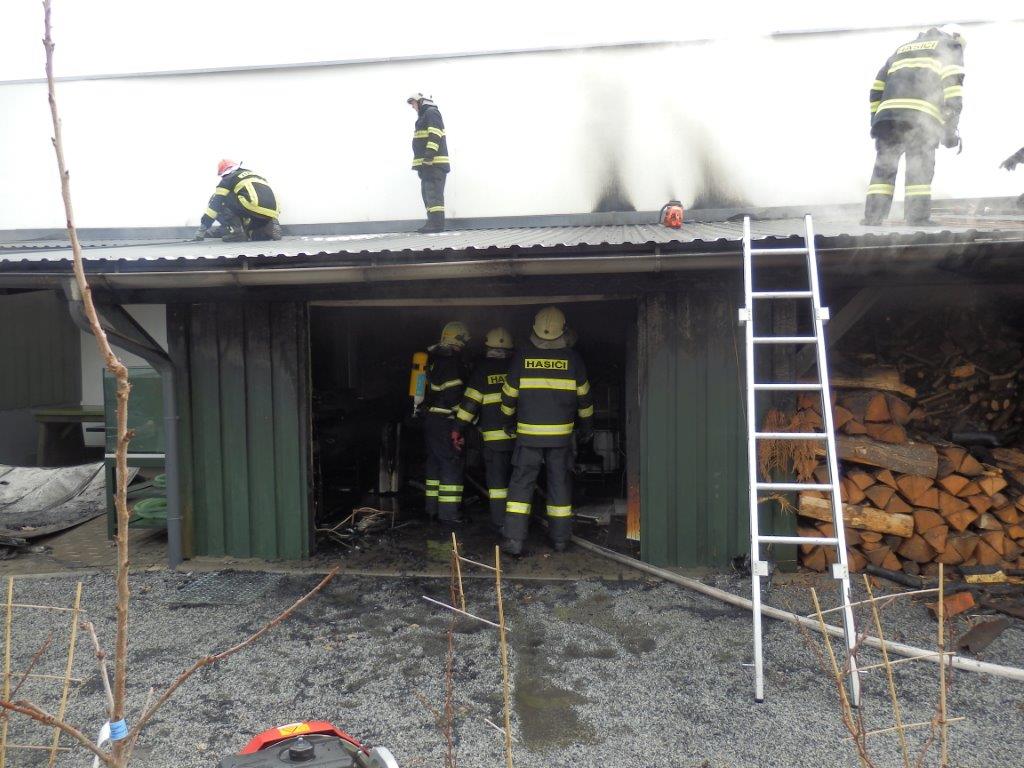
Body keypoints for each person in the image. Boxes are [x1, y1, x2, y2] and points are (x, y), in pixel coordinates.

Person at [499, 307, 594, 555]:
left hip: (528, 436)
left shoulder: (522, 357)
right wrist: (586, 428)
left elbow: (508, 396)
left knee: (521, 484)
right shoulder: (574, 360)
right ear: (563, 330)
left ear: (534, 328)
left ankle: (514, 540)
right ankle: (560, 539)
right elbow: (585, 400)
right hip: (560, 438)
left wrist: (507, 422)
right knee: (559, 483)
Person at [862, 25, 965, 226]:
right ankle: (917, 218)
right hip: (921, 120)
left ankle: (873, 217)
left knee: (884, 167)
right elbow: (953, 92)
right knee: (920, 167)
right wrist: (950, 130)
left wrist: (877, 120)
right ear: (955, 37)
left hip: (887, 118)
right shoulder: (950, 47)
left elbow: (876, 89)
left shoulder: (903, 49)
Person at [452, 327, 516, 532]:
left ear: (487, 347)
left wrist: (458, 428)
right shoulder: (517, 367)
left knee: (497, 485)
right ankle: (518, 524)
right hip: (520, 438)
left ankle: (500, 524)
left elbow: (470, 405)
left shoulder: (482, 370)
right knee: (519, 482)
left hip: (494, 441)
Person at [422, 321, 470, 524]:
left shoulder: (435, 359)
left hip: (431, 420)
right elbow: (453, 396)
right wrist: (463, 420)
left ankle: (432, 509)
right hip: (445, 421)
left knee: (434, 464)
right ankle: (449, 514)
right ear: (460, 340)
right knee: (451, 463)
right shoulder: (451, 362)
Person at [195, 160, 281, 242]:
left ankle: (237, 233)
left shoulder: (228, 178)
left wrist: (202, 229)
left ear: (224, 173)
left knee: (221, 199)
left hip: (252, 205)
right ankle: (270, 226)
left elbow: (215, 204)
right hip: (273, 210)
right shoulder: (255, 175)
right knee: (254, 235)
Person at [407, 93, 450, 233]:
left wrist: (429, 157)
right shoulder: (425, 116)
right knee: (428, 194)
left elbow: (435, 135)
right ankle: (432, 222)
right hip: (427, 165)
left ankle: (436, 225)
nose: (413, 107)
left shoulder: (431, 113)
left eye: (413, 103)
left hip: (434, 164)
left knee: (433, 194)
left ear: (420, 102)